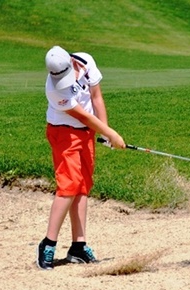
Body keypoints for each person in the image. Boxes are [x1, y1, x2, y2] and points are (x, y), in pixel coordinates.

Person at [37, 46, 126, 270]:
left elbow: (96, 98)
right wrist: (111, 134)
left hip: (86, 132)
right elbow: (84, 116)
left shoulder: (85, 61)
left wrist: (104, 129)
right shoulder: (55, 90)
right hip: (63, 133)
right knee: (69, 186)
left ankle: (78, 246)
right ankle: (48, 244)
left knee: (83, 185)